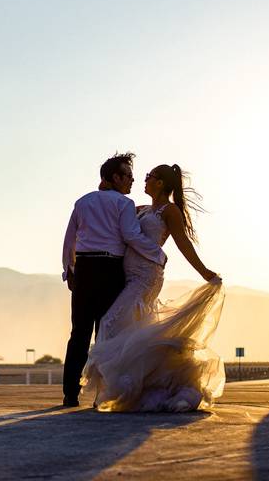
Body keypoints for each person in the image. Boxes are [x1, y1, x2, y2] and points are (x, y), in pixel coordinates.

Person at [80, 163, 225, 412]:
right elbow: (113, 212)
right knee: (133, 330)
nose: (143, 180)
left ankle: (118, 387)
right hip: (129, 276)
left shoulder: (170, 211)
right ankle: (138, 386)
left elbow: (183, 244)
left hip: (146, 277)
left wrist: (204, 272)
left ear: (160, 183)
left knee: (110, 323)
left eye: (149, 177)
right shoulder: (141, 208)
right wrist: (105, 188)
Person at [60, 152, 168, 407]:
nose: (132, 181)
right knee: (107, 332)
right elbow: (130, 235)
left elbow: (69, 241)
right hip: (111, 269)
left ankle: (70, 393)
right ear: (114, 178)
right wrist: (158, 254)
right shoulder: (123, 205)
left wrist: (69, 271)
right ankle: (103, 393)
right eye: (128, 176)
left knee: (79, 332)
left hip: (85, 269)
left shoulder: (82, 202)